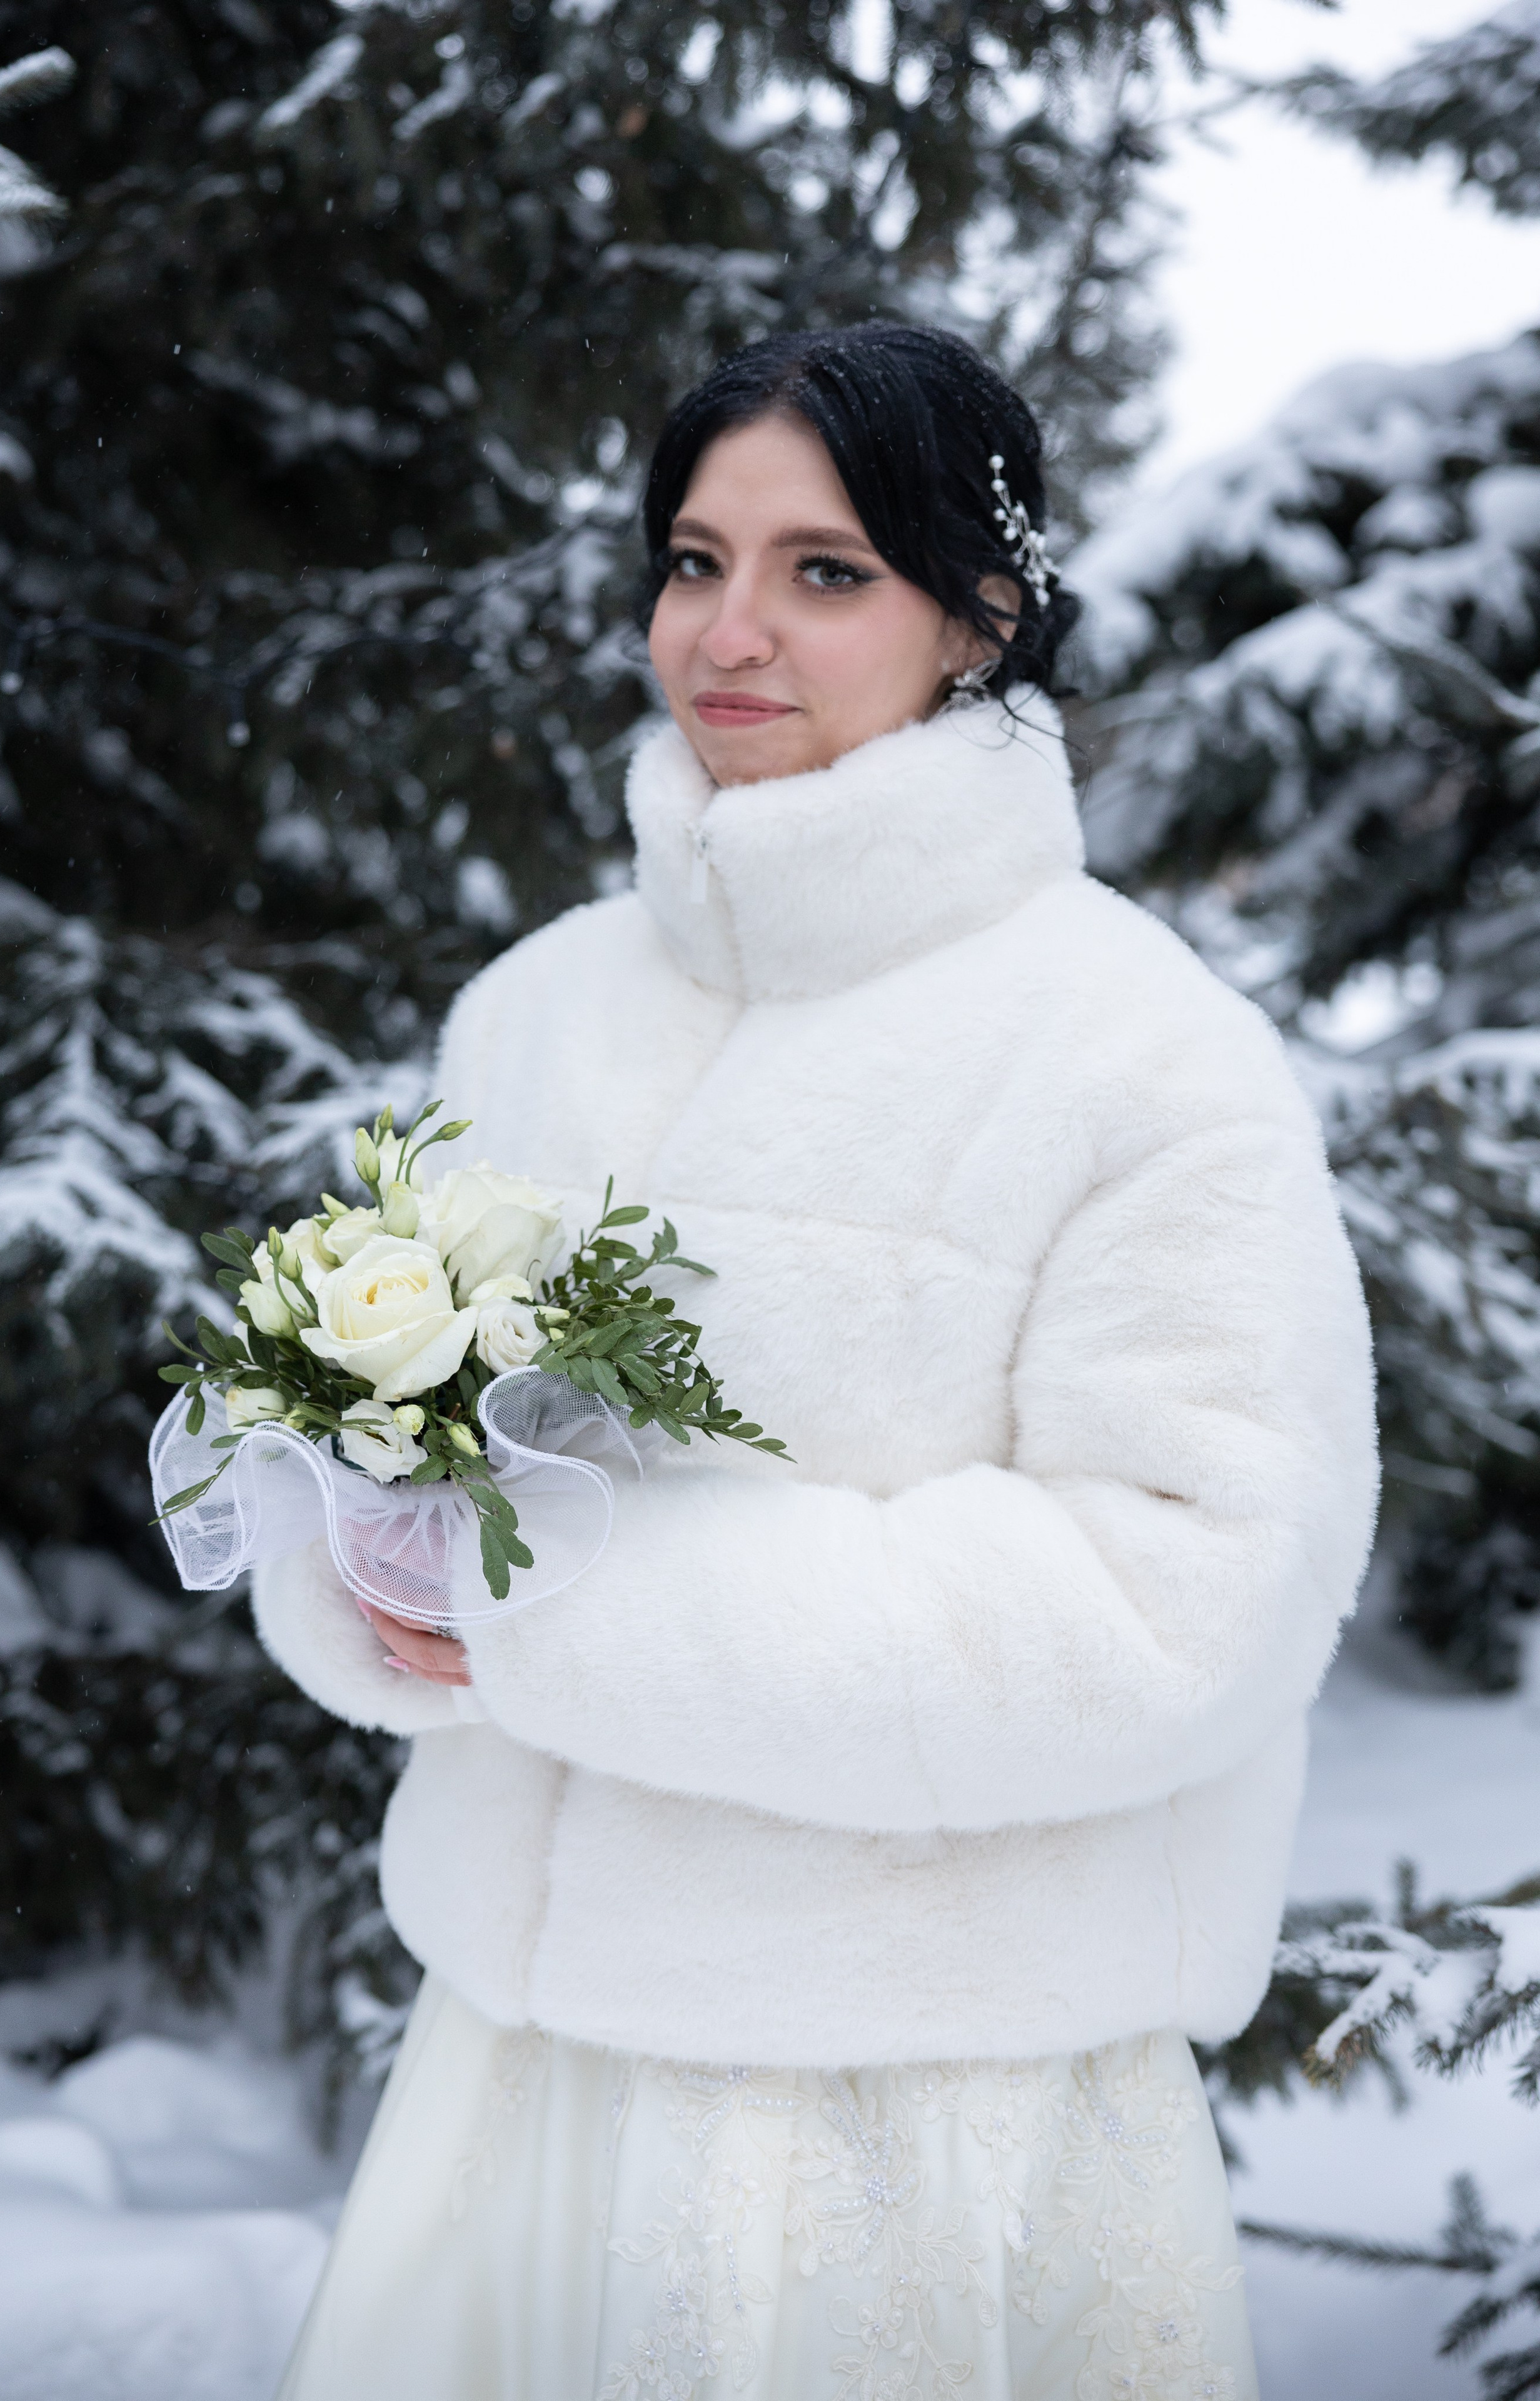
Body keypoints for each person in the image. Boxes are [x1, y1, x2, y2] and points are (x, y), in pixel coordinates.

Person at [259, 321, 1377, 2400]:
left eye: (825, 571)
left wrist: (570, 1605)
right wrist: (367, 1560)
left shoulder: (1140, 1054)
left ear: (983, 614)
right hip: (525, 2079)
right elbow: (387, 1440)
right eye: (695, 559)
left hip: (917, 2109)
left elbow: (1185, 1602)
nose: (730, 631)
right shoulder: (537, 1011)